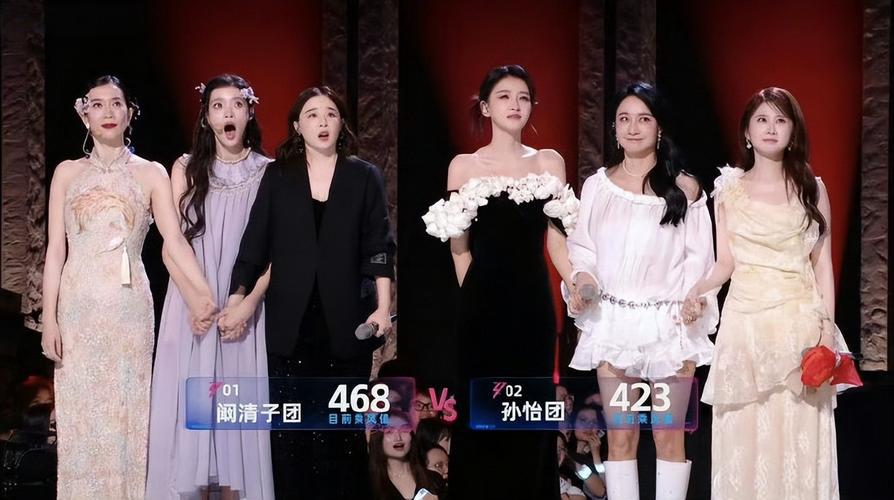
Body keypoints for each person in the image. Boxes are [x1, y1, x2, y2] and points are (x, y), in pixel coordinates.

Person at [40, 75, 215, 499]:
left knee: (127, 417)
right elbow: (55, 251)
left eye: (116, 103)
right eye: (97, 104)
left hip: (129, 311)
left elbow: (174, 240)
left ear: (130, 113)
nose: (108, 112)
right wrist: (48, 319)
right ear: (84, 115)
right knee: (81, 418)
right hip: (78, 310)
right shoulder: (67, 173)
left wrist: (203, 293)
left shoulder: (151, 173)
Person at [422, 64, 579, 499]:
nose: (515, 104)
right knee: (482, 415)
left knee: (529, 415)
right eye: (505, 96)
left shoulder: (549, 162)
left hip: (533, 306)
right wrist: (474, 299)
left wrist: (576, 283)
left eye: (523, 97)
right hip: (482, 307)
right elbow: (459, 249)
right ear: (486, 107)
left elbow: (557, 241)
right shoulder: (464, 166)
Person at [229, 85, 395, 499]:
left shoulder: (364, 176)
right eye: (313, 115)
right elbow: (254, 245)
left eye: (331, 114)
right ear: (297, 126)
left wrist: (383, 308)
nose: (323, 122)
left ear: (342, 124)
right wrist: (237, 297)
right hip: (290, 327)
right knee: (291, 438)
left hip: (347, 324)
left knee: (342, 436)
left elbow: (379, 248)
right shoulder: (279, 176)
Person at [692, 87, 851, 499]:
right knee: (744, 441)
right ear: (746, 131)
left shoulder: (813, 189)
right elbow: (725, 262)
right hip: (745, 330)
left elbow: (822, 265)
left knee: (798, 439)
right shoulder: (728, 190)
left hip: (799, 328)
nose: (771, 128)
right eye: (762, 119)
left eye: (781, 120)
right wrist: (697, 290)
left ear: (793, 131)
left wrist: (826, 331)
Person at [564, 82, 716, 500]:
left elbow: (699, 259)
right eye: (624, 119)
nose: (633, 128)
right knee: (621, 436)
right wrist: (584, 282)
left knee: (669, 435)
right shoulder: (597, 186)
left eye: (643, 119)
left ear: (659, 127)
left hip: (670, 325)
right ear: (614, 128)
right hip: (614, 323)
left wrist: (695, 299)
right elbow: (583, 249)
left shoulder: (685, 188)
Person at [147, 74, 274, 499]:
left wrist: (248, 304)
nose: (227, 113)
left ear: (250, 111)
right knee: (191, 424)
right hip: (193, 306)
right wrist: (196, 300)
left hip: (243, 310)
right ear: (206, 118)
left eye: (236, 104)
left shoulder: (269, 171)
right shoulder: (185, 168)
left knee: (235, 419)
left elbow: (277, 252)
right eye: (218, 106)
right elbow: (171, 244)